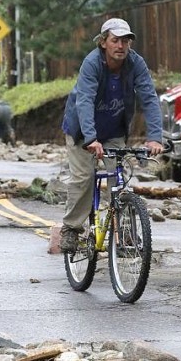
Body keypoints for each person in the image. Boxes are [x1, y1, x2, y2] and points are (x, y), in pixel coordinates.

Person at [59, 18, 164, 253]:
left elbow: (148, 97)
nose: (121, 46)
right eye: (115, 40)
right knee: (84, 178)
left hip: (113, 131)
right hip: (81, 132)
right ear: (103, 42)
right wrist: (90, 138)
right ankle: (71, 229)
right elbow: (84, 100)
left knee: (120, 181)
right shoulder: (92, 63)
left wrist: (155, 137)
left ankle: (124, 233)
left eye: (125, 41)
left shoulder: (136, 63)